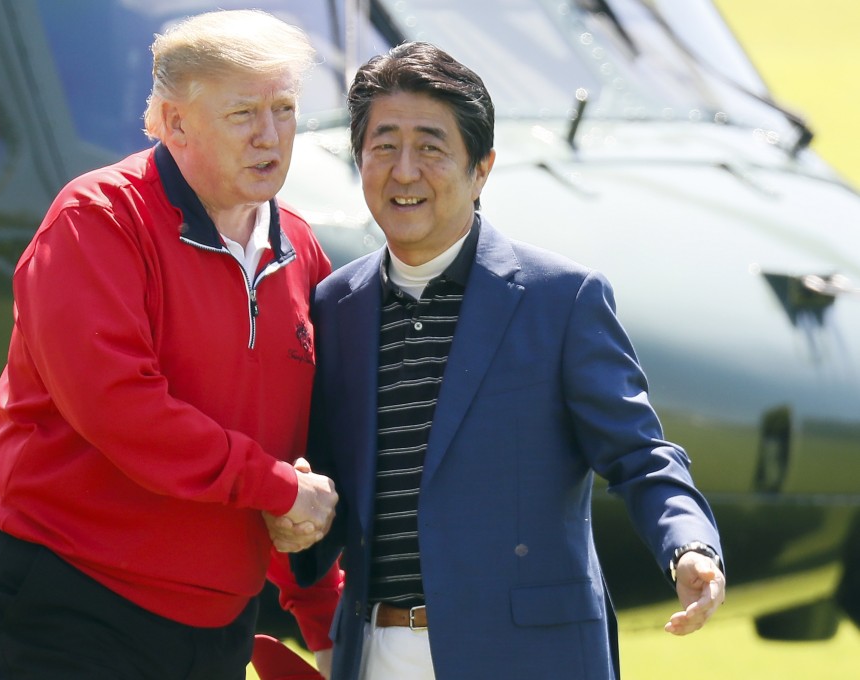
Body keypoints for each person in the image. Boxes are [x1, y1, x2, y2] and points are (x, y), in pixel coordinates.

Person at [280, 42, 725, 680]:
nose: (404, 171)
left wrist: (689, 545)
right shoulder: (334, 304)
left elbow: (641, 455)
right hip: (375, 651)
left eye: (431, 147)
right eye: (384, 146)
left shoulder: (561, 299)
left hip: (530, 656)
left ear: (482, 168)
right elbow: (329, 481)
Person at [0, 10, 340, 679]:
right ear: (172, 121)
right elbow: (123, 411)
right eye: (244, 112)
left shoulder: (300, 250)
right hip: (67, 597)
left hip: (216, 621)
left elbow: (302, 449)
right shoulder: (97, 221)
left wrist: (325, 619)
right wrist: (275, 489)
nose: (270, 135)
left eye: (284, 108)